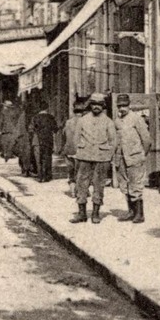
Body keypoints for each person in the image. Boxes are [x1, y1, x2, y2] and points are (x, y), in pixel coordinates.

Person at [69, 94, 119, 225]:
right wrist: (79, 151)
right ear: (90, 105)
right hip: (84, 157)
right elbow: (76, 139)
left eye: (99, 104)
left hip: (101, 159)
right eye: (94, 104)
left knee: (99, 185)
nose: (96, 107)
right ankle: (82, 213)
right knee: (81, 184)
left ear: (103, 106)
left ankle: (96, 213)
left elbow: (113, 141)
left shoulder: (108, 122)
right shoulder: (82, 120)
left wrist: (108, 156)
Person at [113, 94, 151, 224]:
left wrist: (141, 154)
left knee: (136, 186)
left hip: (135, 157)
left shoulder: (136, 119)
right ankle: (131, 211)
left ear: (129, 105)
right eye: (119, 106)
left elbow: (146, 140)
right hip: (121, 158)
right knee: (124, 185)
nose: (122, 108)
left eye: (124, 106)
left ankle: (139, 214)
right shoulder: (116, 121)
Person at [29, 92, 60, 184]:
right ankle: (47, 176)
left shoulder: (35, 117)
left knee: (38, 159)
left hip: (38, 141)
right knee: (48, 157)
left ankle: (40, 176)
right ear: (47, 108)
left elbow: (31, 129)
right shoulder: (51, 117)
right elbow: (55, 129)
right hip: (48, 140)